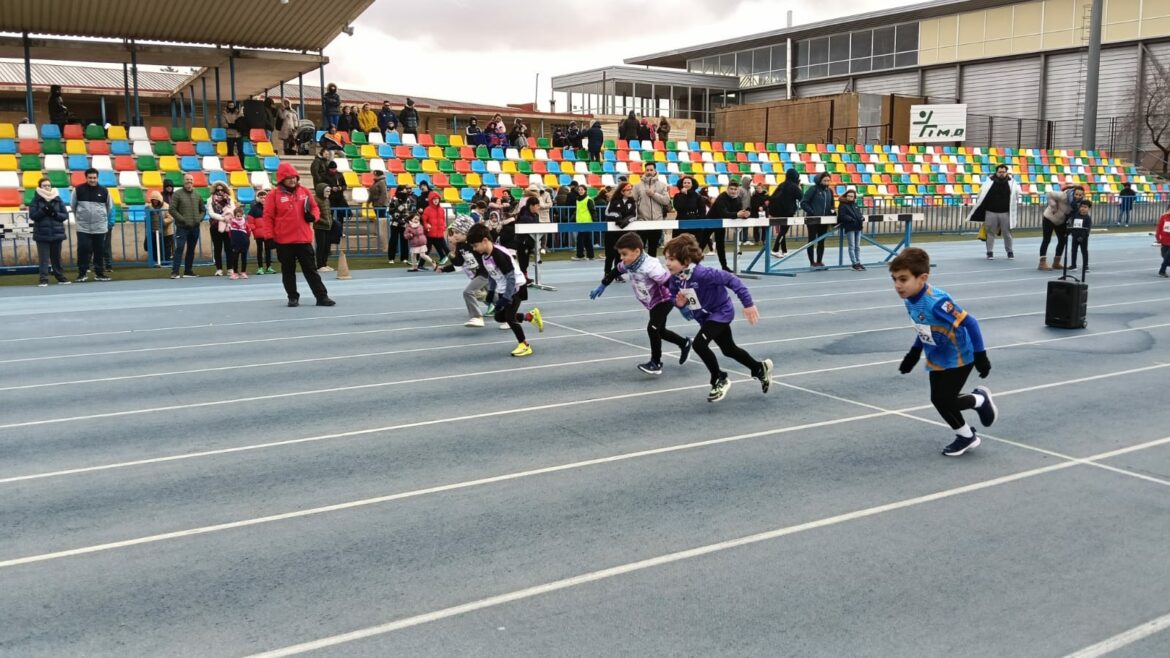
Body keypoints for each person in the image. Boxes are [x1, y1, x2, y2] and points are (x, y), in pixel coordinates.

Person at [891, 247, 995, 457]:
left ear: (922, 278)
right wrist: (914, 353)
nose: (897, 285)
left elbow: (971, 323)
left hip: (960, 355)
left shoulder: (937, 302)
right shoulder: (910, 299)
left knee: (945, 399)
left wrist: (981, 355)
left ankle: (980, 400)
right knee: (938, 399)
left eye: (903, 279)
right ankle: (966, 436)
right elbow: (924, 328)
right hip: (937, 355)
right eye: (894, 279)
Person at [664, 233, 773, 403]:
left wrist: (748, 304)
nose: (667, 263)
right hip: (705, 318)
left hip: (721, 313)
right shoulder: (676, 279)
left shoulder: (704, 274)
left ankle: (719, 378)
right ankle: (759, 368)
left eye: (671, 259)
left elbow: (732, 280)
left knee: (699, 344)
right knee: (729, 349)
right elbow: (672, 295)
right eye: (666, 259)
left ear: (686, 260)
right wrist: (679, 303)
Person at [590, 232, 691, 375]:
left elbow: (670, 285)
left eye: (624, 254)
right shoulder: (629, 263)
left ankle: (656, 362)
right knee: (660, 331)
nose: (621, 258)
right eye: (620, 254)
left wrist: (682, 305)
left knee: (653, 329)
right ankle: (684, 343)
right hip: (651, 302)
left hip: (664, 299)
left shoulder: (650, 266)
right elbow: (616, 270)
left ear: (637, 251)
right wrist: (603, 285)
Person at [465, 223, 545, 357]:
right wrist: (491, 292)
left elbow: (511, 278)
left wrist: (506, 298)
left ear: (485, 240)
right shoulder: (485, 255)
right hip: (504, 288)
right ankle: (529, 316)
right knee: (499, 317)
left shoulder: (499, 255)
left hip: (516, 287)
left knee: (509, 317)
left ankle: (524, 345)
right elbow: (492, 274)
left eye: (475, 245)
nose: (474, 249)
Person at [263, 162, 334, 307]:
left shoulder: (304, 191)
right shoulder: (273, 195)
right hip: (284, 241)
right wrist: (269, 236)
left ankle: (322, 297)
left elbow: (315, 208)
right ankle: (292, 297)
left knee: (311, 270)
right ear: (282, 179)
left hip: (303, 239)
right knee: (288, 271)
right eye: (288, 178)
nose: (292, 180)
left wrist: (313, 217)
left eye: (294, 177)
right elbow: (268, 217)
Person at [437, 216, 489, 327]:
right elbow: (458, 263)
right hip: (477, 274)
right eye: (454, 232)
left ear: (466, 232)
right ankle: (506, 313)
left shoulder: (474, 243)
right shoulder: (460, 245)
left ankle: (477, 317)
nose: (454, 235)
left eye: (457, 232)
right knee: (493, 297)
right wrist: (451, 255)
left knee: (468, 292)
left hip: (486, 272)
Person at [968, 164, 1019, 260]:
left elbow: (1017, 194)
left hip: (1005, 212)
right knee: (990, 233)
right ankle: (989, 252)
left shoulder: (1012, 183)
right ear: (996, 172)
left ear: (1006, 172)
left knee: (1007, 233)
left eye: (1003, 172)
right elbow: (980, 193)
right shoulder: (989, 181)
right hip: (991, 212)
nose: (1002, 174)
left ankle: (1010, 252)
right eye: (1000, 172)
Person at [71, 168, 113, 282]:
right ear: (86, 178)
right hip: (83, 227)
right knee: (83, 249)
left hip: (99, 227)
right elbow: (73, 206)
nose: (92, 180)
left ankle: (99, 273)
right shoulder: (78, 190)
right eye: (90, 178)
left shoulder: (104, 191)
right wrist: (81, 218)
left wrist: (101, 218)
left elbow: (109, 207)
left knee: (99, 250)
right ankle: (82, 274)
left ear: (97, 178)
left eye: (94, 178)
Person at [29, 177, 71, 286]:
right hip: (42, 234)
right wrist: (43, 211)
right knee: (43, 258)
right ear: (40, 187)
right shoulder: (36, 200)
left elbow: (65, 215)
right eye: (44, 185)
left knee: (56, 258)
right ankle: (43, 279)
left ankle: (60, 277)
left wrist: (54, 214)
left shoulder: (57, 198)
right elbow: (33, 216)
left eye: (48, 185)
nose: (47, 187)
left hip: (57, 233)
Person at [703, 179, 748, 272]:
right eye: (731, 189)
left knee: (720, 245)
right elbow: (724, 213)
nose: (733, 191)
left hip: (721, 224)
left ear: (738, 190)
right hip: (710, 222)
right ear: (727, 189)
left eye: (735, 189)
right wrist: (737, 214)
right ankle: (691, 265)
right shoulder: (722, 197)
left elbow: (738, 212)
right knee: (701, 244)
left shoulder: (738, 199)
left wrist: (745, 215)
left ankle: (724, 266)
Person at [169, 173, 206, 278]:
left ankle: (188, 271)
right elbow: (172, 209)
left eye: (190, 180)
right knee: (179, 248)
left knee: (191, 249)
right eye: (187, 179)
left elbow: (203, 210)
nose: (189, 181)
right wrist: (182, 219)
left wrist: (198, 219)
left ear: (193, 181)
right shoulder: (177, 194)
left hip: (195, 227)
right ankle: (175, 272)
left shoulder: (197, 194)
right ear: (183, 181)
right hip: (182, 227)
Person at [633, 162, 670, 256]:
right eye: (647, 170)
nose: (649, 172)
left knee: (653, 250)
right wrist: (636, 218)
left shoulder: (662, 185)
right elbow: (633, 202)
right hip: (642, 221)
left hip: (657, 222)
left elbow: (666, 201)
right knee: (639, 249)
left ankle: (652, 265)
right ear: (644, 171)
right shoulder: (637, 185)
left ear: (655, 171)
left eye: (651, 170)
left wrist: (653, 194)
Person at [800, 172, 835, 268]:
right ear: (819, 180)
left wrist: (832, 213)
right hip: (813, 220)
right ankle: (812, 262)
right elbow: (803, 203)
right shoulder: (813, 189)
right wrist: (812, 212)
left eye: (828, 180)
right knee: (811, 241)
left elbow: (832, 205)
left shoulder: (830, 191)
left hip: (824, 221)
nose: (827, 182)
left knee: (821, 241)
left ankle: (819, 261)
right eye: (825, 180)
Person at [604, 182, 637, 278]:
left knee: (620, 254)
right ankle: (607, 273)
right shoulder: (614, 201)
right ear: (622, 191)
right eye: (628, 190)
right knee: (610, 254)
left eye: (631, 189)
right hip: (612, 232)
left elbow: (634, 216)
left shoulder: (632, 202)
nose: (630, 191)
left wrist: (627, 221)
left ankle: (617, 274)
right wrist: (617, 216)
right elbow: (607, 213)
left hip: (623, 232)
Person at [1039, 186, 1073, 271]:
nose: (1078, 196)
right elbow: (1049, 194)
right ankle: (1042, 262)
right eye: (1076, 194)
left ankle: (1056, 263)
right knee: (1046, 239)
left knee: (1062, 240)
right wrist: (1053, 206)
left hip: (1061, 221)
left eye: (1080, 195)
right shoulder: (1063, 195)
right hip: (1049, 218)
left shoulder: (1077, 202)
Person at [207, 181, 235, 276]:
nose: (220, 191)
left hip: (228, 226)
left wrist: (227, 217)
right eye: (217, 190)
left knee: (229, 248)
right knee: (217, 248)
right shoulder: (210, 200)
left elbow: (233, 210)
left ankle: (230, 268)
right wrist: (223, 218)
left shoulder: (229, 199)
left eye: (222, 189)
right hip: (215, 226)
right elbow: (211, 213)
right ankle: (219, 269)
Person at [248, 187, 276, 274]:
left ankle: (269, 267)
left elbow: (273, 219)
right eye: (261, 198)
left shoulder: (270, 207)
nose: (263, 199)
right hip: (259, 234)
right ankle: (260, 268)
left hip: (268, 233)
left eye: (264, 197)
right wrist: (254, 230)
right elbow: (250, 221)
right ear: (258, 198)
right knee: (259, 251)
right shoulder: (254, 208)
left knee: (268, 250)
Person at [837, 188, 865, 270]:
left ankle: (858, 262)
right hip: (850, 227)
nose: (850, 197)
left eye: (852, 196)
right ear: (846, 196)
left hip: (858, 227)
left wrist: (861, 217)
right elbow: (842, 215)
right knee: (852, 246)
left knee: (857, 246)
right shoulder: (842, 205)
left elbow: (859, 213)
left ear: (854, 197)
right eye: (848, 196)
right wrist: (851, 219)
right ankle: (854, 263)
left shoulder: (855, 204)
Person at [672, 175, 705, 243]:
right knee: (679, 243)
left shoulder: (697, 196)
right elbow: (678, 207)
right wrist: (684, 195)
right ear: (682, 184)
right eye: (685, 183)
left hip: (694, 221)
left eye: (688, 183)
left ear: (692, 184)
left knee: (695, 243)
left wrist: (699, 221)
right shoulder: (677, 196)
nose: (686, 184)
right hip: (681, 220)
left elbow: (702, 210)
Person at [387, 184, 415, 264]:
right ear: (399, 191)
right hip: (395, 223)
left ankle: (404, 258)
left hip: (404, 224)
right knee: (393, 241)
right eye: (403, 190)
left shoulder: (408, 200)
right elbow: (391, 211)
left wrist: (407, 219)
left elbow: (409, 211)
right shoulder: (394, 199)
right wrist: (398, 217)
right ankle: (391, 258)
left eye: (405, 190)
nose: (405, 191)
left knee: (404, 241)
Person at [569, 182, 597, 261]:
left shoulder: (588, 199)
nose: (580, 191)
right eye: (579, 190)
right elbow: (578, 211)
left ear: (585, 190)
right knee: (587, 239)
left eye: (582, 190)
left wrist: (595, 221)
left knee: (580, 239)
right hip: (580, 222)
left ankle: (580, 255)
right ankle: (591, 255)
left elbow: (593, 211)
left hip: (587, 222)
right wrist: (572, 218)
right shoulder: (578, 200)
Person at [144, 190, 174, 263]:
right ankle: (156, 261)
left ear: (160, 199)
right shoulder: (150, 207)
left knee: (166, 249)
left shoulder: (166, 206)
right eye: (153, 200)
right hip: (155, 232)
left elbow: (171, 218)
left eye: (156, 200)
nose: (155, 201)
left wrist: (161, 222)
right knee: (155, 247)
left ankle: (166, 261)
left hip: (167, 231)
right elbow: (147, 217)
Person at [421, 190, 449, 261]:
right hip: (430, 233)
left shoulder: (441, 209)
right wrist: (427, 226)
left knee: (445, 248)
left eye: (437, 199)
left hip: (439, 233)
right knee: (427, 250)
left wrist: (443, 227)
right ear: (431, 200)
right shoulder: (427, 209)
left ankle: (455, 262)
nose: (436, 200)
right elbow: (424, 220)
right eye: (434, 199)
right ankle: (420, 265)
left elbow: (443, 220)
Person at [313, 181, 335, 271]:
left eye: (329, 191)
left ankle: (324, 263)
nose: (329, 193)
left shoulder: (327, 200)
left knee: (327, 246)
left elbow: (329, 213)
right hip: (319, 227)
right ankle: (319, 265)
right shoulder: (315, 200)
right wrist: (325, 222)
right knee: (321, 246)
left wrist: (331, 221)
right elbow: (315, 215)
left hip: (328, 227)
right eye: (327, 191)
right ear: (321, 191)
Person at [1067, 199, 1093, 273]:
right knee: (1073, 251)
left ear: (1088, 209)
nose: (1083, 208)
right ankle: (1073, 265)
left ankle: (1086, 266)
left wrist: (1082, 237)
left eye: (1085, 207)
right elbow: (1072, 225)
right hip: (1075, 236)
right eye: (1082, 206)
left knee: (1084, 251)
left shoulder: (1088, 218)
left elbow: (1087, 229)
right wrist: (1070, 232)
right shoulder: (1075, 215)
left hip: (1083, 238)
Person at [227, 205, 251, 279]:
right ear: (234, 216)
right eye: (238, 216)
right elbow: (229, 233)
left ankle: (243, 272)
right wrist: (233, 241)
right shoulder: (231, 223)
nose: (239, 217)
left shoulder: (245, 223)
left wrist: (246, 240)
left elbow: (248, 232)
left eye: (241, 216)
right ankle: (235, 273)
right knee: (235, 258)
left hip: (244, 243)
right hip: (235, 243)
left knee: (244, 258)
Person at [1156, 203, 1170, 278]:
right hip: (1164, 240)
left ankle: (1162, 271)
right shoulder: (1164, 216)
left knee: (1167, 256)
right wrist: (1158, 237)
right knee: (1165, 257)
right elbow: (1159, 227)